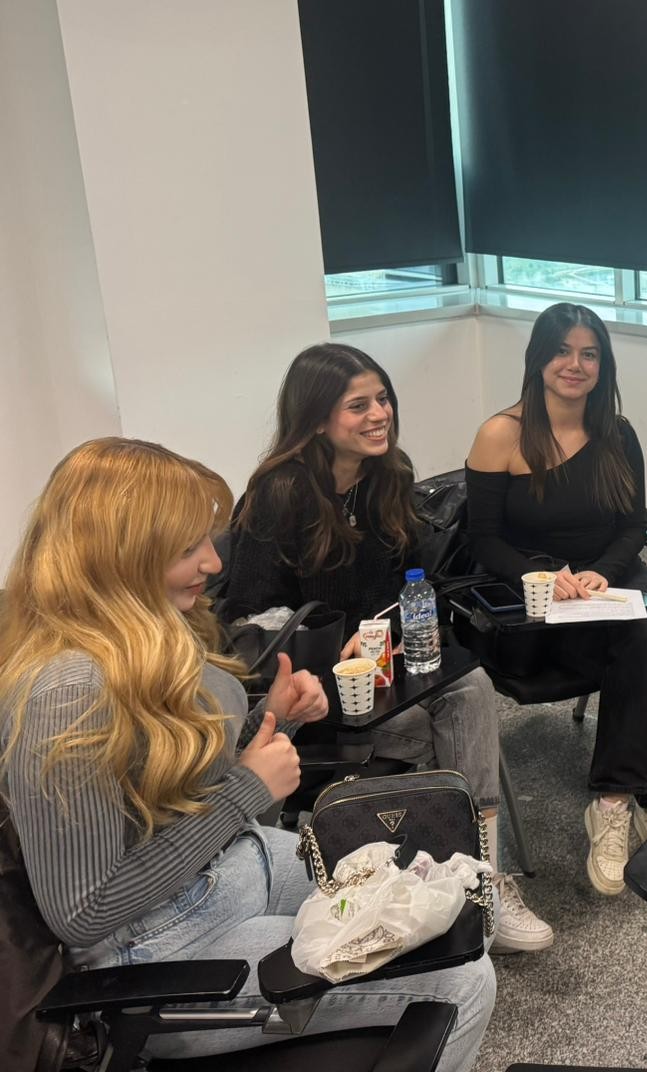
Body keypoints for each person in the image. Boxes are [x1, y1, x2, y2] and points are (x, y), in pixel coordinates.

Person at [0, 438, 496, 1069]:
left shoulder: (146, 632)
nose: (212, 562)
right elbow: (83, 911)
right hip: (161, 946)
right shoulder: (68, 693)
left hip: (226, 872)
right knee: (460, 981)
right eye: (188, 549)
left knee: (460, 908)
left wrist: (271, 722)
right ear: (120, 555)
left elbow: (167, 790)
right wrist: (247, 789)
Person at [227, 343, 551, 953]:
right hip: (312, 693)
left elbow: (406, 584)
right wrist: (334, 642)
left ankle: (482, 881)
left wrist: (390, 630)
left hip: (384, 673)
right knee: (452, 734)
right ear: (316, 419)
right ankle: (465, 888)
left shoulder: (388, 474)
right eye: (359, 406)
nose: (380, 414)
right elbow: (249, 618)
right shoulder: (279, 492)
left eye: (383, 399)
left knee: (472, 688)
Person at [465, 302, 647, 898]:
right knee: (638, 653)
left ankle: (611, 804)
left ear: (602, 365)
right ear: (538, 357)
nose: (575, 364)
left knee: (644, 635)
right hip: (535, 592)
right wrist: (541, 573)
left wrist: (600, 574)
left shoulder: (618, 433)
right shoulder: (501, 434)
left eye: (589, 354)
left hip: (610, 577)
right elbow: (484, 540)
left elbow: (634, 527)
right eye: (562, 350)